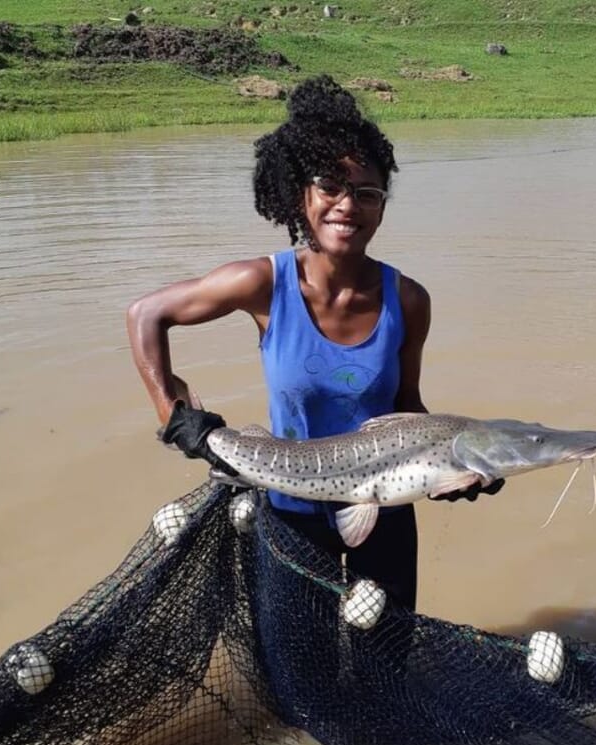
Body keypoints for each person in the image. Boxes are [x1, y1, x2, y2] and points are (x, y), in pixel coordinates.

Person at [126, 75, 503, 610]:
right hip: (291, 507)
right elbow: (146, 314)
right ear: (301, 195)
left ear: (382, 208)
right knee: (300, 649)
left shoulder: (409, 300)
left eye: (367, 194)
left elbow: (407, 405)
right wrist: (173, 415)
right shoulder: (262, 283)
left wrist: (458, 464)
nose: (347, 205)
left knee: (387, 644)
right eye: (330, 186)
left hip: (385, 506)